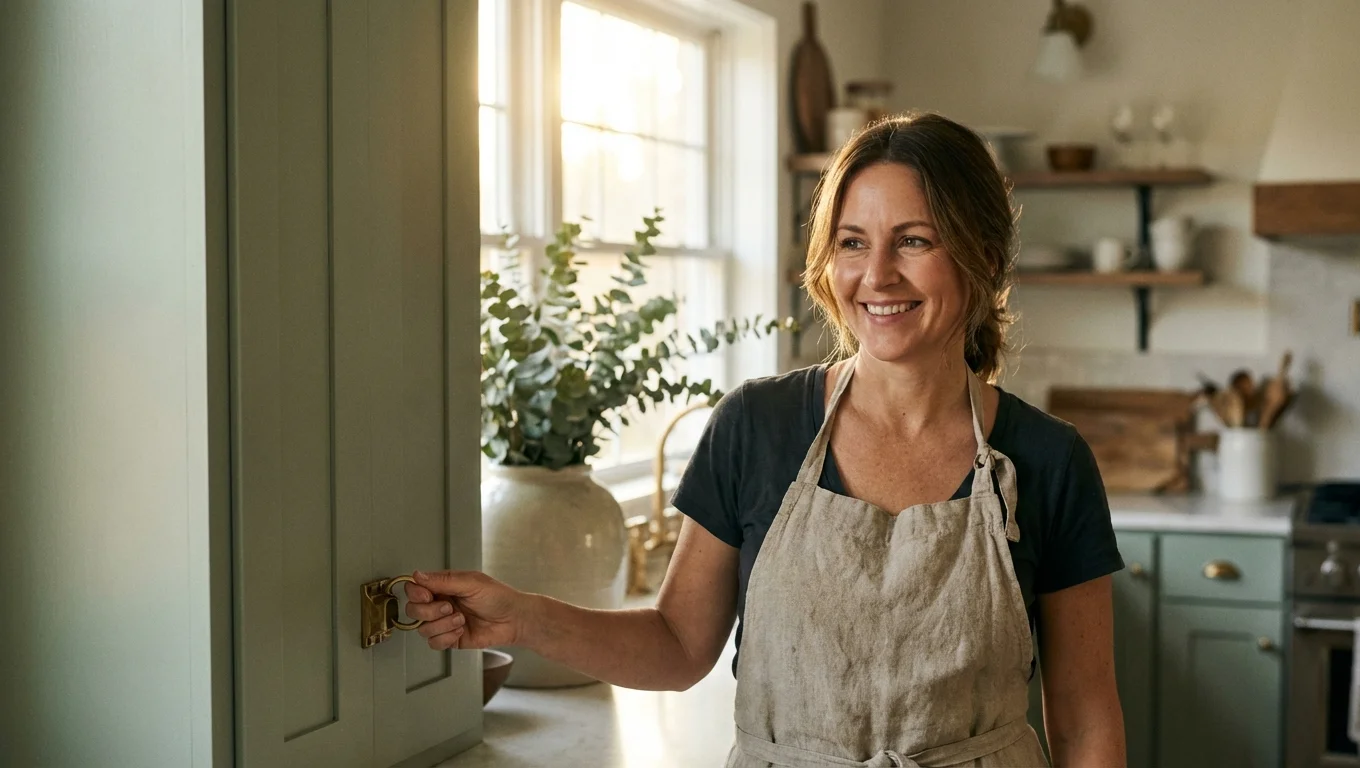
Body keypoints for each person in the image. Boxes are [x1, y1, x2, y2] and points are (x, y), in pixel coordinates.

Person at [406, 112, 1127, 767]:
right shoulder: (756, 427)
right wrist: (525, 615)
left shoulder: (1048, 460)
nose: (876, 276)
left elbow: (1085, 717)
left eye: (914, 241)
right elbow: (679, 645)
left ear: (981, 257)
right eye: (852, 243)